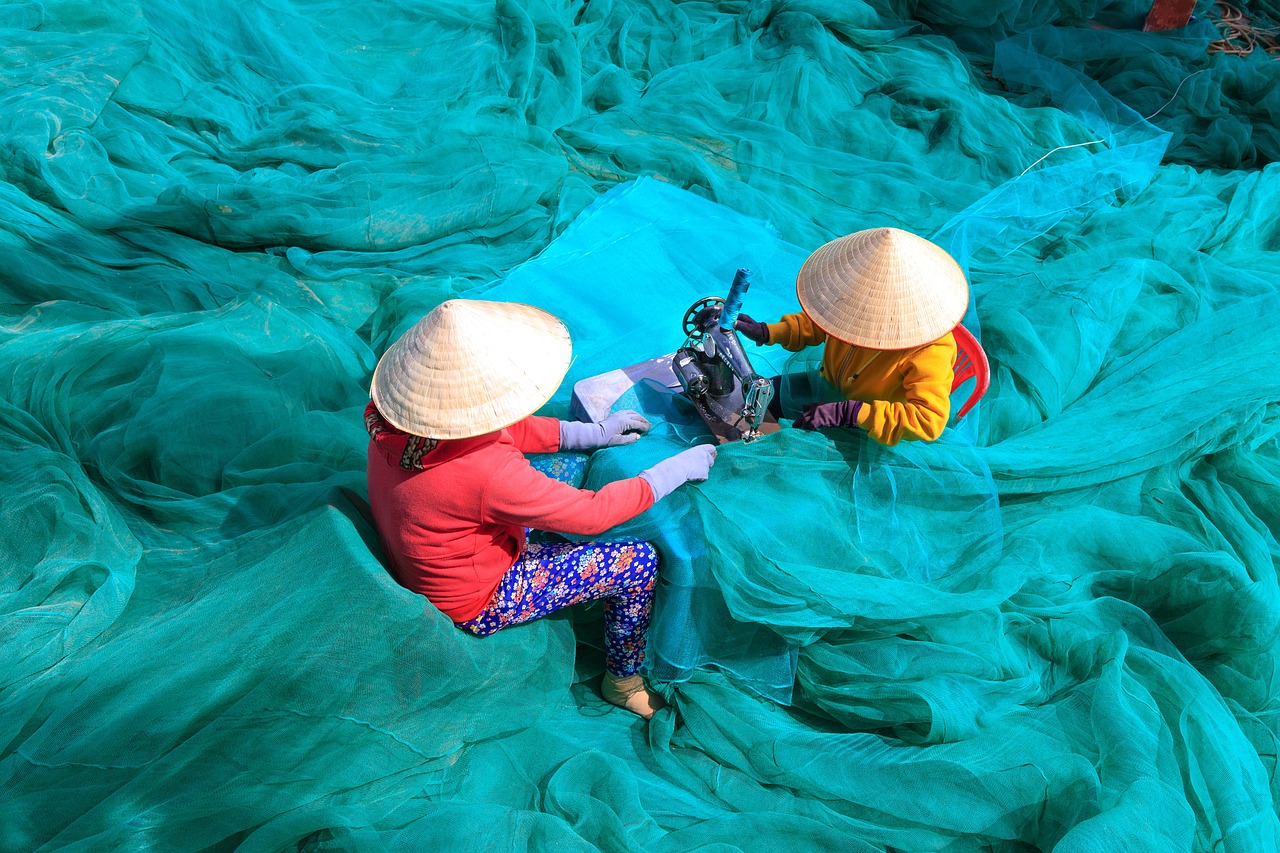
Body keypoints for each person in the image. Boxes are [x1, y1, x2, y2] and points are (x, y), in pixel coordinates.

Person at [365, 299, 716, 720]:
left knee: (566, 467)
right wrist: (669, 472)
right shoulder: (487, 472)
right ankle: (622, 681)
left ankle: (561, 544)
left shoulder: (396, 420)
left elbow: (498, 425)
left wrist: (587, 433)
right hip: (477, 595)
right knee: (637, 562)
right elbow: (593, 516)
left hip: (448, 545)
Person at [734, 227, 969, 446]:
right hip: (827, 385)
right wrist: (767, 332)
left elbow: (927, 420)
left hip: (870, 424)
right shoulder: (852, 303)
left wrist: (850, 413)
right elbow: (817, 323)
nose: (852, 312)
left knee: (798, 453)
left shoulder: (931, 349)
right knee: (753, 401)